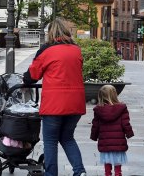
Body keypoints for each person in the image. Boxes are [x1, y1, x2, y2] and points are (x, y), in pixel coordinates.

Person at [23, 18, 87, 176]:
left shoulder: (47, 50)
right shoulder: (76, 49)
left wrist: (25, 79)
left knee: (50, 141)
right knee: (67, 138)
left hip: (54, 105)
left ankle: (51, 174)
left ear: (50, 32)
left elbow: (33, 75)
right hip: (76, 104)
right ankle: (80, 171)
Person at [90, 85, 134, 176]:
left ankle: (108, 174)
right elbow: (125, 123)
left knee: (107, 163)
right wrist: (129, 133)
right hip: (118, 142)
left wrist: (94, 136)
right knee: (118, 166)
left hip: (105, 141)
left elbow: (95, 125)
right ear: (115, 95)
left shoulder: (99, 110)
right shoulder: (122, 108)